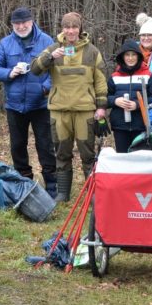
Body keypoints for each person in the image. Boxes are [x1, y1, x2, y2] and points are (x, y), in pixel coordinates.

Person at [30, 12, 108, 202]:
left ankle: (92, 195)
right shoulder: (53, 49)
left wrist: (101, 107)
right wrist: (49, 57)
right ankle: (63, 193)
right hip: (60, 110)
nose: (71, 31)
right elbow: (34, 70)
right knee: (62, 153)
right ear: (62, 29)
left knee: (87, 154)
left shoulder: (92, 52)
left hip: (85, 111)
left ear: (80, 29)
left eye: (74, 27)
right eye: (67, 27)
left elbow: (101, 81)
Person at [0, 7, 57, 198]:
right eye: (16, 23)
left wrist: (45, 88)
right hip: (15, 104)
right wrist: (9, 73)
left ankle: (52, 185)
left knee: (45, 145)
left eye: (24, 22)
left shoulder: (46, 41)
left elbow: (56, 70)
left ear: (32, 21)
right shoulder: (6, 43)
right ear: (12, 25)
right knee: (17, 145)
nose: (21, 26)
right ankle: (23, 182)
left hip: (40, 104)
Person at [107, 39, 152, 153]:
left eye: (133, 55)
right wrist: (115, 101)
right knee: (123, 158)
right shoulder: (114, 76)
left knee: (139, 160)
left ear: (138, 56)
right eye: (127, 55)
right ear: (122, 57)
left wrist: (137, 104)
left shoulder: (147, 75)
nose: (130, 58)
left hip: (141, 125)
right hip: (120, 126)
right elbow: (105, 98)